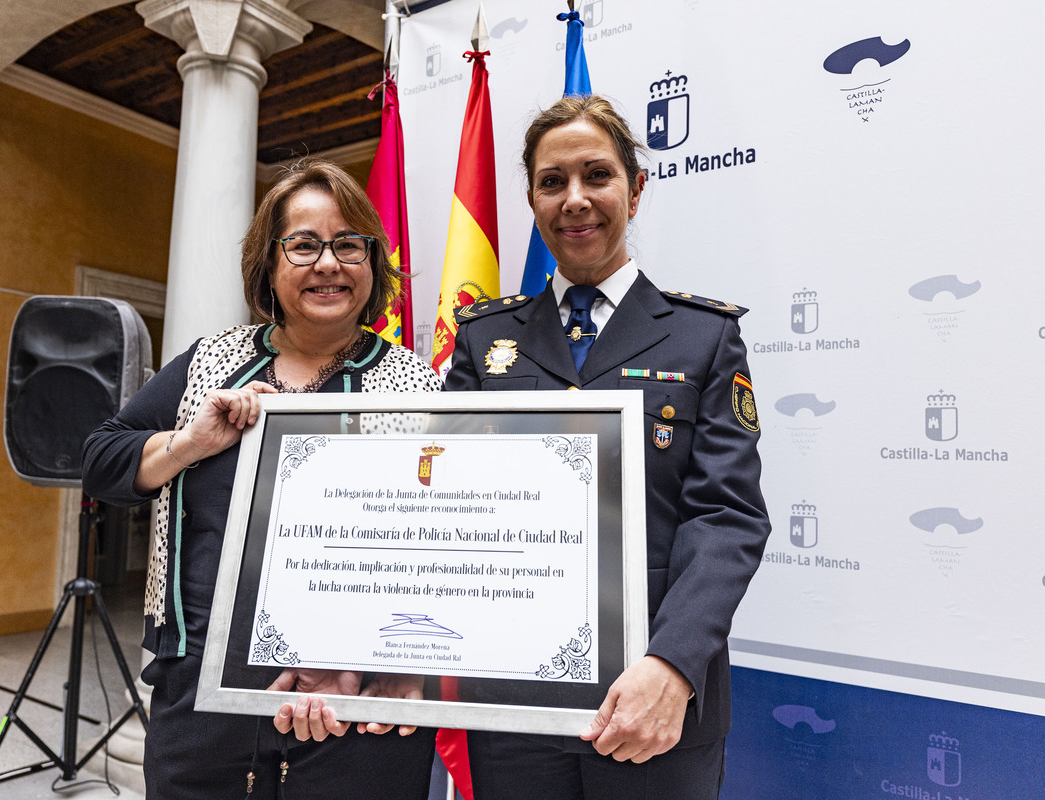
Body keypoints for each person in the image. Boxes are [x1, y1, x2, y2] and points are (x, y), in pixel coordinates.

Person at [444, 95, 771, 799]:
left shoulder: (703, 337)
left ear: (637, 187)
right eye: (553, 182)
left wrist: (674, 665)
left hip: (658, 703)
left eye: (597, 175)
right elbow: (449, 508)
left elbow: (727, 517)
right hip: (512, 702)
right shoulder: (480, 340)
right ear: (531, 199)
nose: (576, 200)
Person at [83, 160, 441, 800]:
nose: (328, 263)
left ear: (373, 263)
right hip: (200, 689)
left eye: (348, 245)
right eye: (303, 245)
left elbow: (441, 545)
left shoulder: (415, 385)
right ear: (268, 265)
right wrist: (188, 443)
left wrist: (370, 664)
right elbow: (102, 462)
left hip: (356, 693)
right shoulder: (212, 361)